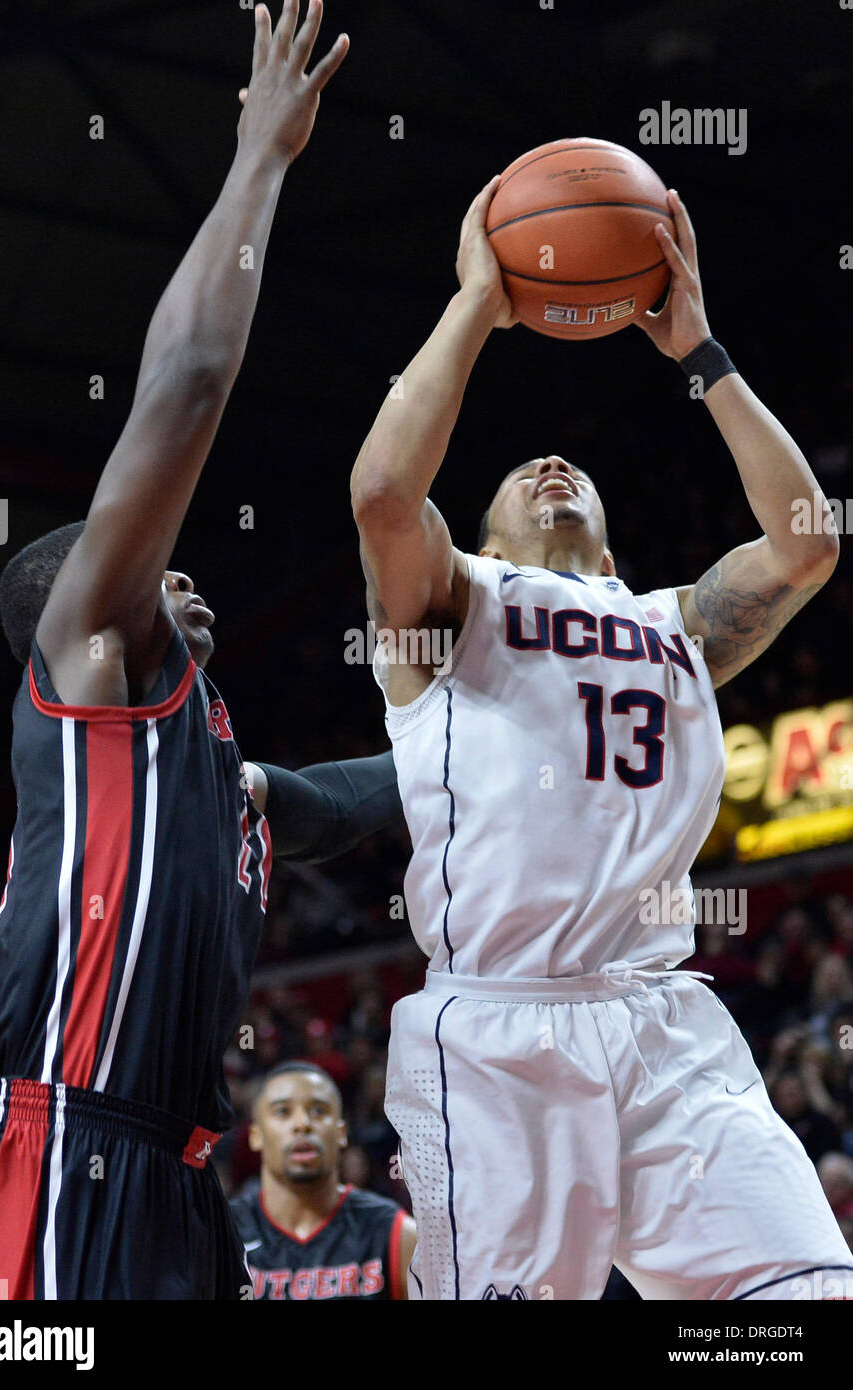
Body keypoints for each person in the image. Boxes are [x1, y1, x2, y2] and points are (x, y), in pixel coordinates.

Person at [0, 1, 400, 1301]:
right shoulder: (89, 662)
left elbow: (378, 785)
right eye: (152, 569)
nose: (178, 575)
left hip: (178, 1184)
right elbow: (187, 384)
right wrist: (260, 156)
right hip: (60, 1140)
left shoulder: (217, 777)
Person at [349, 177, 852, 1300]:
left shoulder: (673, 621)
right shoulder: (452, 606)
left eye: (569, 470)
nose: (550, 468)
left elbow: (808, 541)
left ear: (615, 546)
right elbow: (384, 491)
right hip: (498, 1032)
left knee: (806, 1297)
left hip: (662, 1016)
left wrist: (701, 352)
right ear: (482, 536)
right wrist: (478, 303)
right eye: (519, 479)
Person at [229, 1062, 415, 1299]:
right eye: (282, 1111)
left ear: (341, 1132)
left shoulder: (396, 1234)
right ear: (255, 1136)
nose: (302, 1124)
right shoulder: (225, 1234)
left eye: (318, 1111)